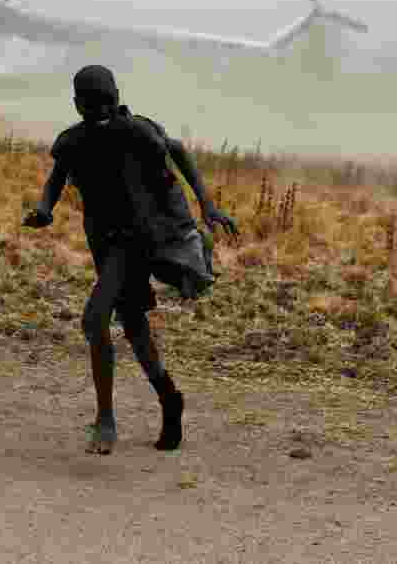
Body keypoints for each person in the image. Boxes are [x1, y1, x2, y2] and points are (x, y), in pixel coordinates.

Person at [22, 65, 238, 455]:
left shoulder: (139, 130)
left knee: (94, 319)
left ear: (118, 96)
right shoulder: (74, 141)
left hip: (139, 241)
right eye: (90, 103)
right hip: (105, 244)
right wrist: (44, 209)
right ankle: (168, 396)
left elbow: (179, 151)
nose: (100, 109)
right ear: (76, 105)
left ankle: (105, 419)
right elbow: (58, 176)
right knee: (134, 326)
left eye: (105, 100)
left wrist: (208, 206)